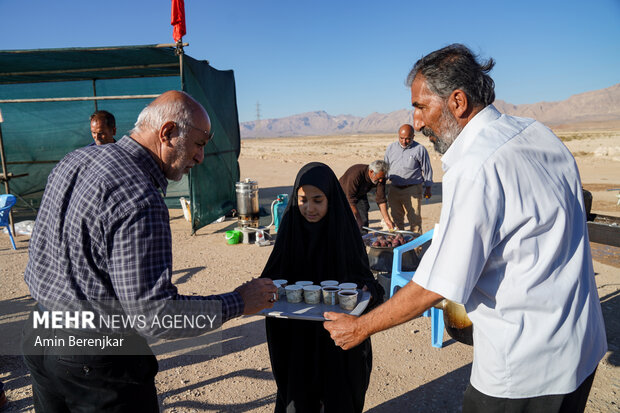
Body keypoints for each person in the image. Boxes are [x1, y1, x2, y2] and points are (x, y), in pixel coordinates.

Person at [324, 44, 607, 413]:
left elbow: (438, 283)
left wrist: (360, 328)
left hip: (525, 371)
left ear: (457, 102)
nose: (418, 120)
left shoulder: (477, 164)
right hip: (582, 346)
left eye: (422, 107)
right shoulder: (538, 133)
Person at [23, 91, 277, 412]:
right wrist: (239, 301)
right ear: (167, 133)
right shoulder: (140, 196)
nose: (200, 157)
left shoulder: (76, 159)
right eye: (199, 144)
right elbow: (156, 318)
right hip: (96, 360)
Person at [261, 162, 384, 413]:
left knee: (338, 398)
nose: (309, 208)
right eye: (303, 200)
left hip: (336, 340)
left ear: (331, 198)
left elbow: (367, 282)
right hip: (297, 340)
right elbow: (271, 278)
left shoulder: (344, 234)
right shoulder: (290, 232)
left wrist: (367, 293)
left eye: (318, 200)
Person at [384, 124, 433, 232]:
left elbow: (427, 169)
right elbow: (386, 168)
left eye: (407, 139)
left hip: (413, 188)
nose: (404, 141)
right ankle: (399, 246)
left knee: (414, 221)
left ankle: (416, 248)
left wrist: (428, 188)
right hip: (394, 188)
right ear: (398, 136)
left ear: (413, 137)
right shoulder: (391, 148)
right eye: (401, 138)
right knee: (396, 221)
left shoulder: (420, 149)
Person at [339, 160, 394, 231]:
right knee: (344, 218)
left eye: (382, 178)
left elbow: (381, 199)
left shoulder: (381, 177)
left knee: (363, 219)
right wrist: (358, 219)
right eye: (379, 178)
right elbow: (350, 198)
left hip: (360, 194)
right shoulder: (355, 173)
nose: (380, 181)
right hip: (342, 194)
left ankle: (363, 238)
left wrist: (387, 219)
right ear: (371, 172)